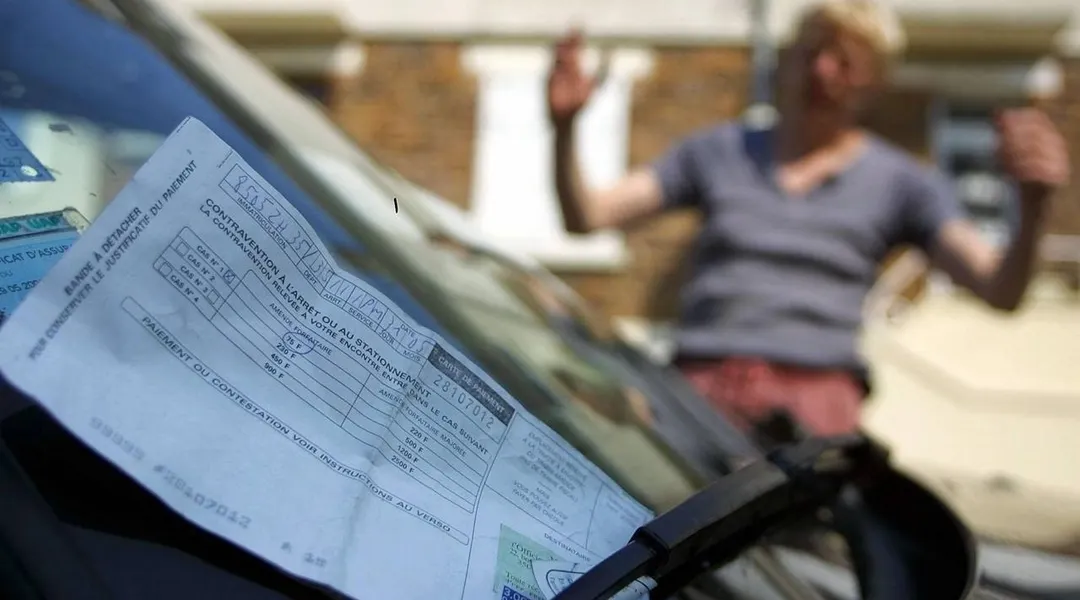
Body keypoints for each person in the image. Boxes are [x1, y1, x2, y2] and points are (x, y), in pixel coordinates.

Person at [544, 0, 1069, 439]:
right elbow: (587, 216)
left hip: (814, 418)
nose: (822, 71)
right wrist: (565, 130)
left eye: (844, 60)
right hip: (694, 404)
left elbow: (1000, 289)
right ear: (788, 60)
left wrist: (1034, 206)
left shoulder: (902, 183)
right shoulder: (718, 152)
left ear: (874, 83)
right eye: (811, 52)